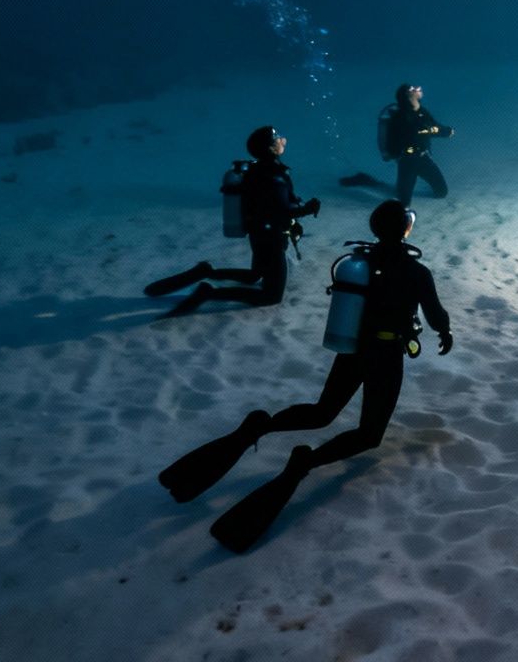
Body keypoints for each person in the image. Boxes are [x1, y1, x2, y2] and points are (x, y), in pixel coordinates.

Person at [155, 200, 455, 552]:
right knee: (369, 434)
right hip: (385, 356)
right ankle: (305, 462)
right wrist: (445, 332)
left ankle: (258, 427)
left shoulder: (359, 263)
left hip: (352, 350)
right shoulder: (416, 272)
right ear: (405, 229)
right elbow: (434, 313)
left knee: (321, 412)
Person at [146, 125, 318, 317]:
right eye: (278, 138)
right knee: (271, 296)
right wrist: (307, 210)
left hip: (258, 233)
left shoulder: (257, 169)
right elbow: (280, 210)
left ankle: (207, 272)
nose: (282, 140)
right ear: (270, 147)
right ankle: (209, 293)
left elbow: (272, 204)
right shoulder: (274, 175)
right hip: (271, 238)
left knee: (255, 275)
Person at [385, 83, 456, 204]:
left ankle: (403, 187)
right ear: (407, 96)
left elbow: (434, 125)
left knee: (442, 192)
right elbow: (420, 132)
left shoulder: (422, 111)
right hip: (407, 161)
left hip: (423, 158)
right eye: (412, 89)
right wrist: (440, 131)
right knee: (404, 202)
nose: (417, 89)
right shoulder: (399, 117)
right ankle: (397, 188)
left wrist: (446, 131)